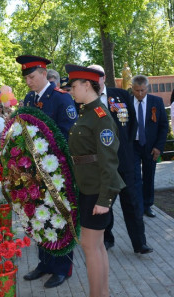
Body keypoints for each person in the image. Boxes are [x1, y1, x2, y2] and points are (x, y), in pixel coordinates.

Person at [17, 55, 76, 288]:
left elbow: (68, 133)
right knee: (40, 217)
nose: (28, 82)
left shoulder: (62, 99)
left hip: (57, 170)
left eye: (31, 77)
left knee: (59, 219)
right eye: (26, 78)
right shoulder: (29, 98)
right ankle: (45, 263)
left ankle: (62, 269)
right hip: (36, 172)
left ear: (43, 73)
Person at [65, 64, 124, 297]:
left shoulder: (100, 115)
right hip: (88, 186)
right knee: (96, 246)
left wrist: (105, 198)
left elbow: (109, 160)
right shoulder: (87, 111)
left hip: (96, 190)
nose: (71, 90)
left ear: (87, 85)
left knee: (90, 246)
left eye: (74, 86)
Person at [87, 64, 151, 255]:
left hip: (125, 161)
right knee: (104, 203)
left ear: (104, 77)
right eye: (90, 76)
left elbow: (132, 124)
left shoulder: (120, 95)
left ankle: (140, 243)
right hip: (101, 165)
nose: (94, 80)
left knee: (132, 202)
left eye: (97, 76)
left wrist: (125, 146)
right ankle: (107, 239)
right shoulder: (84, 101)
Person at [131, 75, 169, 218]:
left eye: (142, 90)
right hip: (133, 146)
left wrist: (159, 147)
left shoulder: (156, 102)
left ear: (147, 88)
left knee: (149, 176)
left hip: (150, 146)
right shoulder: (127, 102)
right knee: (135, 178)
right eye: (136, 90)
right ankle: (138, 206)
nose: (140, 94)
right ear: (132, 88)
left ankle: (147, 205)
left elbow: (163, 126)